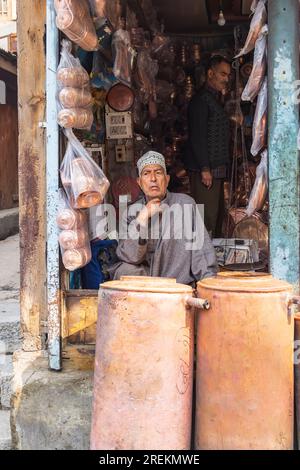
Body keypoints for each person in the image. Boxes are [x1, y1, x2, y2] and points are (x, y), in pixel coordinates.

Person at [110, 151, 218, 285]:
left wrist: (208, 283)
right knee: (123, 270)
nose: (153, 178)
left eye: (158, 172)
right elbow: (131, 257)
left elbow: (201, 251)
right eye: (146, 173)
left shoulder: (185, 204)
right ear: (139, 182)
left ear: (167, 180)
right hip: (145, 287)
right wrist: (142, 219)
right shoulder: (131, 213)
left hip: (177, 286)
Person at [185, 55, 231, 238]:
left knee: (217, 216)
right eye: (223, 74)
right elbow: (198, 136)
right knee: (206, 217)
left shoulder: (214, 99)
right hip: (205, 170)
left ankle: (214, 257)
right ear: (210, 73)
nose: (226, 79)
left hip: (216, 169)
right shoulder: (200, 101)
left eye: (228, 75)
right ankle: (201, 260)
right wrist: (204, 168)